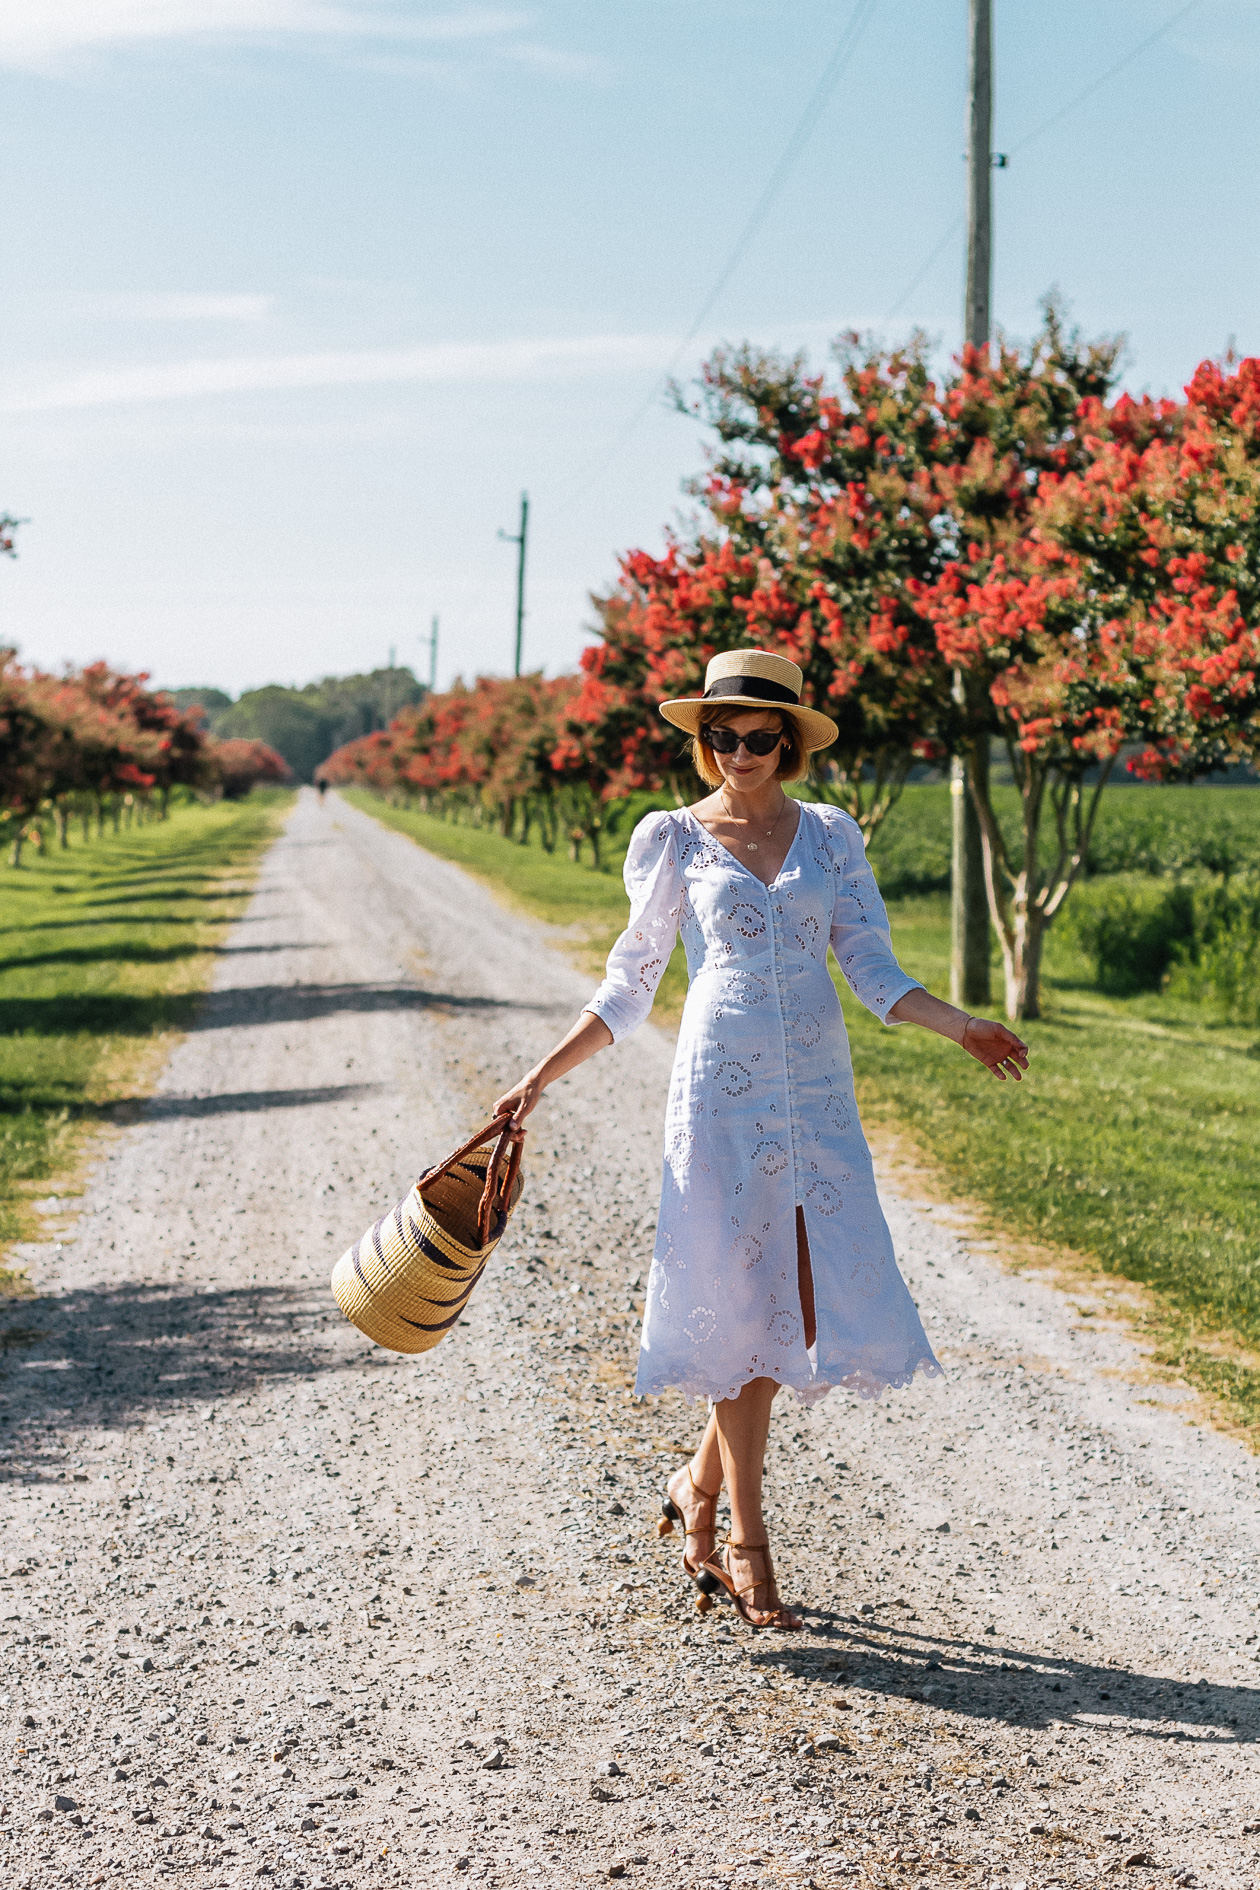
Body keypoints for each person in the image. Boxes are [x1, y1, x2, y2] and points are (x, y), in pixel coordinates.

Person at [494, 650, 1029, 1630]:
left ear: (788, 741)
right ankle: (749, 1542)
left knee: (796, 1310)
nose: (737, 752)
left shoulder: (829, 837)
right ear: (705, 743)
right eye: (720, 736)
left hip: (818, 1099)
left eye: (757, 735)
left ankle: (695, 1491)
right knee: (742, 1312)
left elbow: (872, 969)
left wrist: (963, 1026)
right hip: (719, 1104)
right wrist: (536, 1078)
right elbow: (627, 984)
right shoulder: (673, 841)